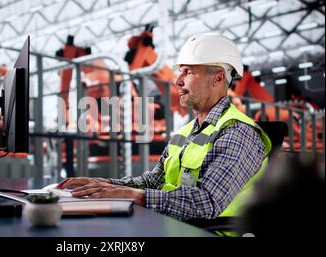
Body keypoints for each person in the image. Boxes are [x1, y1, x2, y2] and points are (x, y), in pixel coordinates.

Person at [57, 33, 272, 221]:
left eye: (188, 72)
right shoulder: (185, 132)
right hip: (177, 224)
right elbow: (155, 180)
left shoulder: (238, 133)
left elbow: (207, 203)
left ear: (218, 78)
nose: (177, 80)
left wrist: (131, 195)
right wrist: (104, 184)